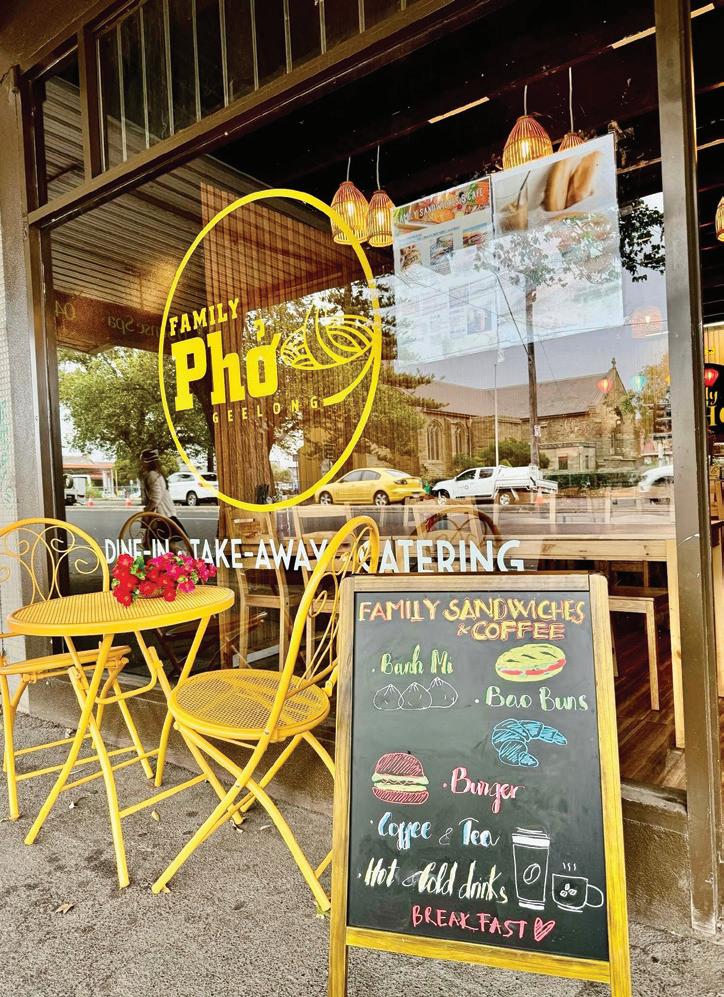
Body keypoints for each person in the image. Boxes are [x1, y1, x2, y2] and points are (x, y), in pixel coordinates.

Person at [139, 449, 186, 545]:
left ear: (146, 462)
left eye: (142, 460)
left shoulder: (152, 475)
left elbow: (156, 497)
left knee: (168, 544)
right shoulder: (157, 474)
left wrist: (147, 510)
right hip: (164, 514)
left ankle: (183, 555)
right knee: (154, 543)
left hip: (162, 515)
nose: (141, 463)